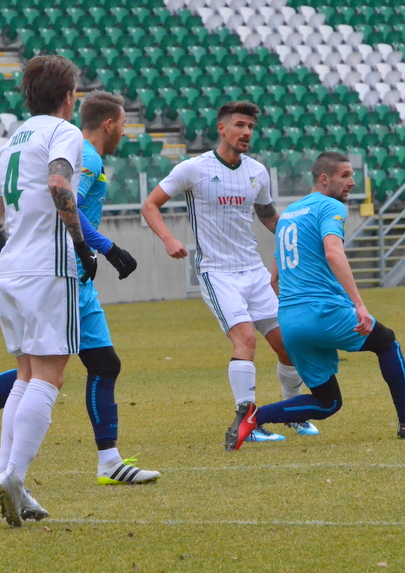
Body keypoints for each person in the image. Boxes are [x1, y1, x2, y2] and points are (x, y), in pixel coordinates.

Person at [0, 91, 160, 507]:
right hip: (62, 270)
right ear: (106, 121)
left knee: (85, 365)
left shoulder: (19, 139)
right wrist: (103, 248)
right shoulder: (78, 151)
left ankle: (100, 460)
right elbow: (66, 200)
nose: (125, 130)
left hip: (39, 270)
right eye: (123, 122)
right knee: (44, 373)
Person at [225, 151, 405, 450]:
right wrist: (359, 305)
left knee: (327, 403)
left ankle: (253, 416)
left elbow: (274, 279)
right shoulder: (329, 206)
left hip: (290, 319)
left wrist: (296, 312)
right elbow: (333, 252)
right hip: (323, 311)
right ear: (324, 178)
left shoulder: (289, 213)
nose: (352, 182)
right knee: (386, 342)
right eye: (345, 175)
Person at [141, 100, 318, 446]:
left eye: (250, 127)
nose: (246, 132)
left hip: (253, 270)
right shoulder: (194, 168)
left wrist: (292, 245)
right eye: (239, 125)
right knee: (246, 340)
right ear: (221, 128)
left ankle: (293, 413)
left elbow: (268, 216)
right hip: (217, 272)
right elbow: (150, 205)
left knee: (288, 345)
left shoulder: (257, 171)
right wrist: (168, 238)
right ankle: (248, 423)